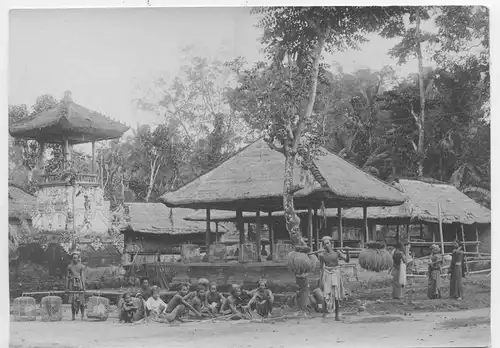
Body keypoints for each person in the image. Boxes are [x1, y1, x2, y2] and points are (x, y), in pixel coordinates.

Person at [318, 236, 349, 321]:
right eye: (324, 244)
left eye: (327, 243)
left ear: (331, 244)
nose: (326, 245)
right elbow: (321, 268)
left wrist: (347, 252)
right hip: (327, 274)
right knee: (326, 294)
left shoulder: (337, 252)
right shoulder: (322, 255)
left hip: (335, 273)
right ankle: (324, 314)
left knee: (336, 294)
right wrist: (320, 280)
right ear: (323, 245)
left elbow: (347, 260)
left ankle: (337, 315)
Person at [66, 250, 86, 321]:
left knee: (81, 301)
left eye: (76, 258)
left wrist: (84, 287)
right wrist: (67, 287)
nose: (75, 259)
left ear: (78, 258)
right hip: (72, 285)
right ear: (72, 258)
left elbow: (83, 277)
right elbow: (67, 277)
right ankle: (73, 316)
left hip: (79, 285)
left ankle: (82, 316)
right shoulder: (69, 267)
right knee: (72, 302)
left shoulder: (82, 266)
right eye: (74, 258)